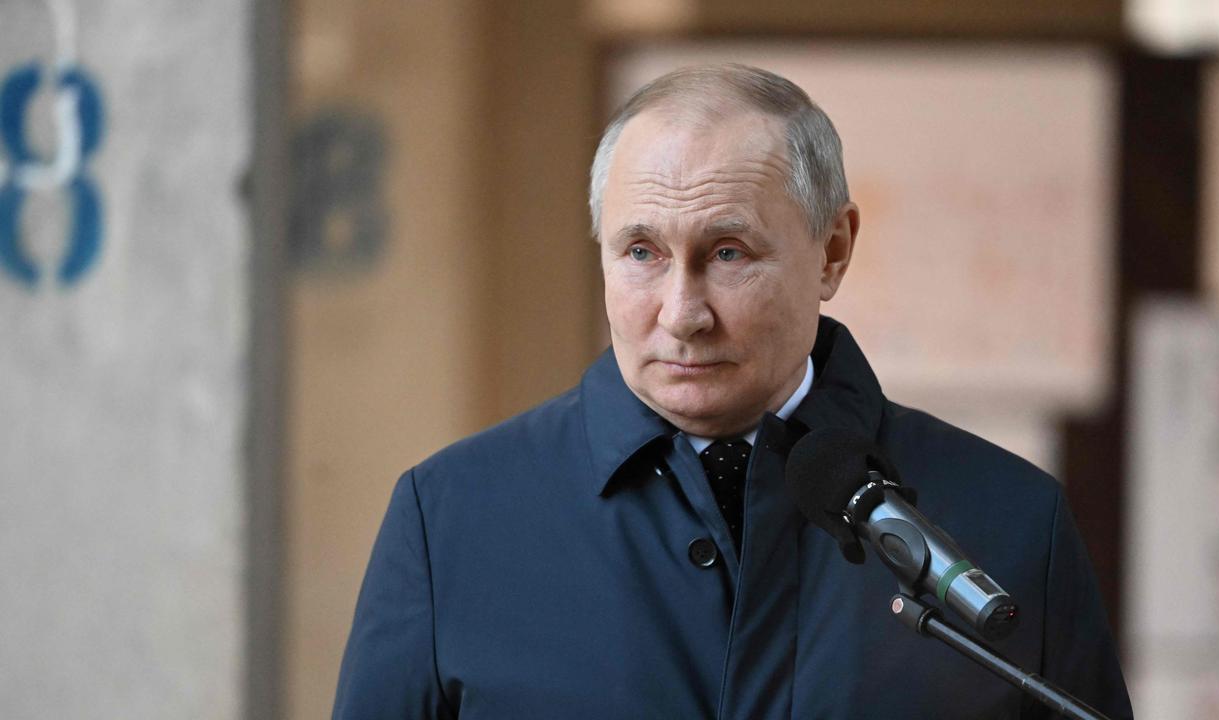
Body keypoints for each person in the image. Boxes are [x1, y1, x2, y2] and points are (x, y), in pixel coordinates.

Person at [332, 64, 1133, 719]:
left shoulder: (1013, 525)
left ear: (832, 252)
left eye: (727, 252)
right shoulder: (451, 521)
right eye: (641, 251)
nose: (682, 314)